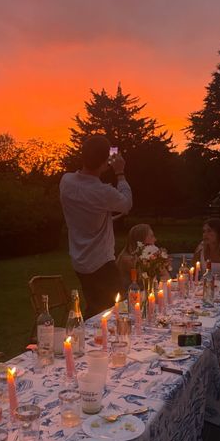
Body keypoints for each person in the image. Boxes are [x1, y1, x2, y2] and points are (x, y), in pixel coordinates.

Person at [60, 135, 132, 319]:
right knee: (116, 311)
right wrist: (120, 173)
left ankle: (85, 340)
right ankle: (89, 340)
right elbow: (126, 204)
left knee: (95, 307)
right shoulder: (103, 192)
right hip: (101, 262)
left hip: (79, 260)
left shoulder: (66, 182)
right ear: (105, 163)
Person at [116, 224, 157, 289]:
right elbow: (144, 284)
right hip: (129, 296)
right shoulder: (128, 259)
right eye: (151, 236)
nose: (155, 239)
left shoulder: (143, 257)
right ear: (141, 239)